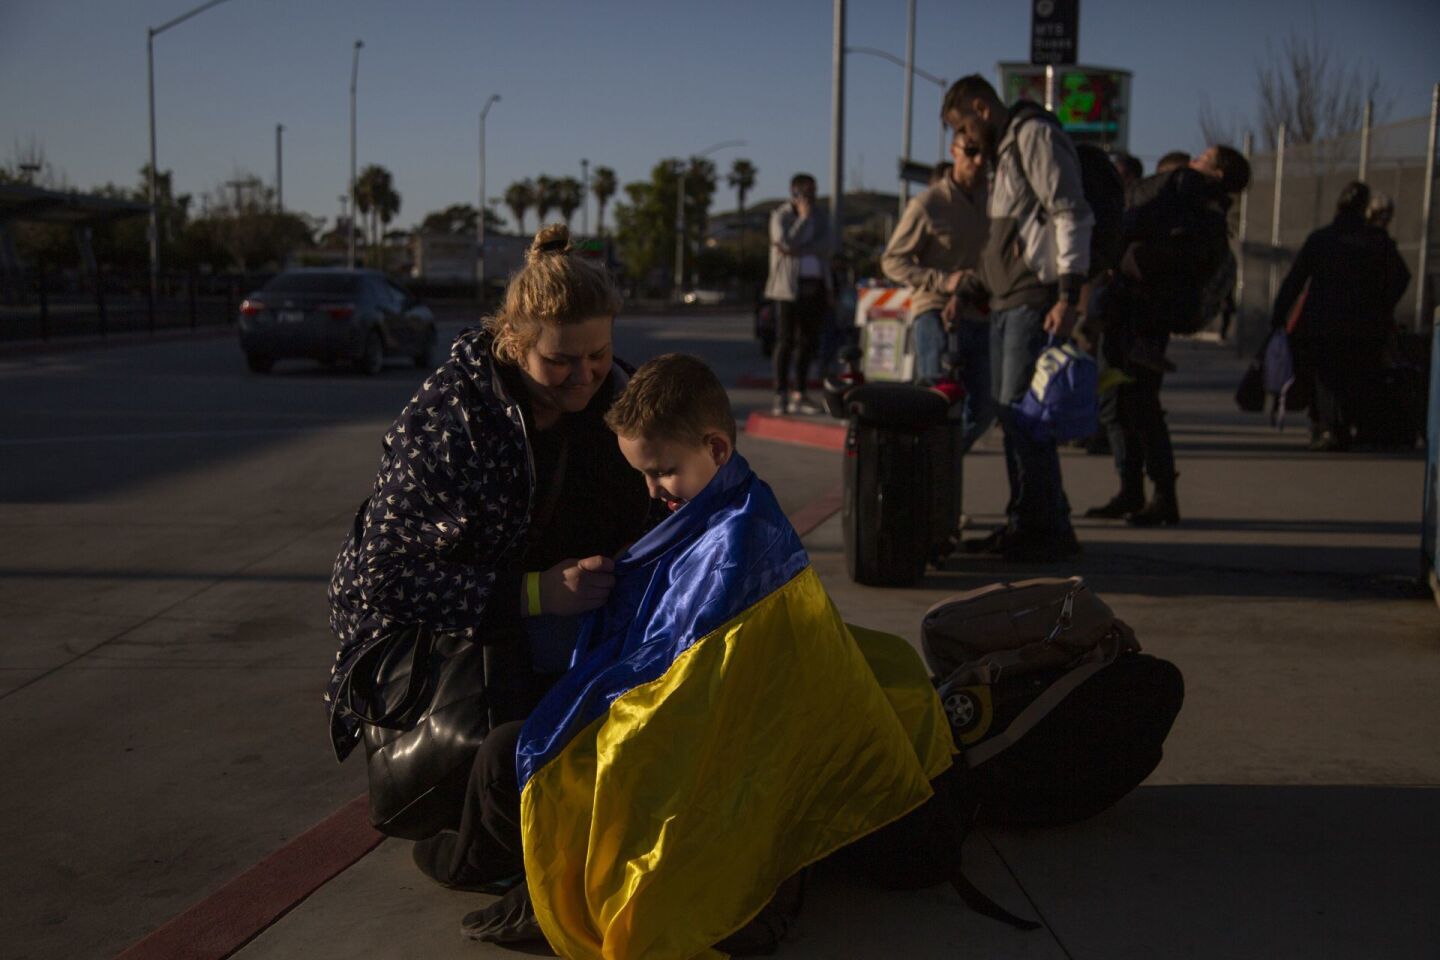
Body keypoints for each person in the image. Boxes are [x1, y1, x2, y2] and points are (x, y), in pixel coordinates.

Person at [459, 353, 954, 950]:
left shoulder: (739, 541)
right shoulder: (721, 511)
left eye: (663, 471)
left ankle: (542, 892)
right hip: (724, 732)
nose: (653, 490)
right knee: (508, 762)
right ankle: (516, 875)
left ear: (717, 449)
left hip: (725, 746)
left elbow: (690, 691)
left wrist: (596, 715)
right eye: (643, 474)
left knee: (518, 761)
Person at [325, 223, 655, 888]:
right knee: (522, 746)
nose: (586, 374)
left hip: (575, 610)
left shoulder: (620, 396)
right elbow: (384, 577)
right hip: (452, 632)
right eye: (562, 360)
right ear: (514, 341)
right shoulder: (453, 416)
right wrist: (534, 594)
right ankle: (472, 852)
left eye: (599, 353)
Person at [942, 74, 1091, 562]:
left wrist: (1068, 294)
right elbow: (1002, 242)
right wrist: (969, 289)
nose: (963, 141)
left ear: (982, 109)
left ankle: (1040, 530)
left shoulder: (1033, 136)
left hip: (1032, 298)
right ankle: (1036, 522)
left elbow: (1069, 210)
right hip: (1005, 301)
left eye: (962, 126)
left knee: (1021, 417)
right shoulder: (1005, 153)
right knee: (1016, 417)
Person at [1087, 145, 1251, 526]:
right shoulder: (1198, 208)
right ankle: (1132, 490)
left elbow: (1177, 251)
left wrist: (1137, 259)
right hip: (1133, 312)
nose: (1192, 163)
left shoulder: (1195, 204)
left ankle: (1161, 496)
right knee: (1121, 403)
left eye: (1202, 159)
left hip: (1144, 315)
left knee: (1139, 404)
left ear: (1218, 174)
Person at [1273, 181, 1411, 451]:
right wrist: (1383, 305)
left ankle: (1327, 427)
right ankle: (1352, 424)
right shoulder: (1377, 240)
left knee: (1324, 376)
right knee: (1359, 373)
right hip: (1365, 323)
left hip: (1321, 320)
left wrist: (1279, 314)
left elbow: (1296, 279)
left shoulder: (1322, 238)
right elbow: (1401, 277)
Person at [881, 127, 993, 452]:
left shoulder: (995, 201)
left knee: (985, 407)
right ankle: (931, 466)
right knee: (938, 398)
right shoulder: (928, 204)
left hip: (981, 314)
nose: (979, 159)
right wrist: (942, 281)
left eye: (985, 152)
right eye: (971, 151)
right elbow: (892, 261)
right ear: (954, 151)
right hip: (935, 312)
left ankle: (945, 456)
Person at [765, 173, 832, 416]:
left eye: (813, 191)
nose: (810, 197)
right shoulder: (781, 215)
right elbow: (783, 242)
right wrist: (802, 219)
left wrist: (798, 249)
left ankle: (800, 393)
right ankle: (780, 393)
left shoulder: (821, 216)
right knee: (785, 340)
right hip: (787, 289)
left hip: (815, 285)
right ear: (794, 192)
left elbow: (827, 246)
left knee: (808, 342)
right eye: (805, 191)